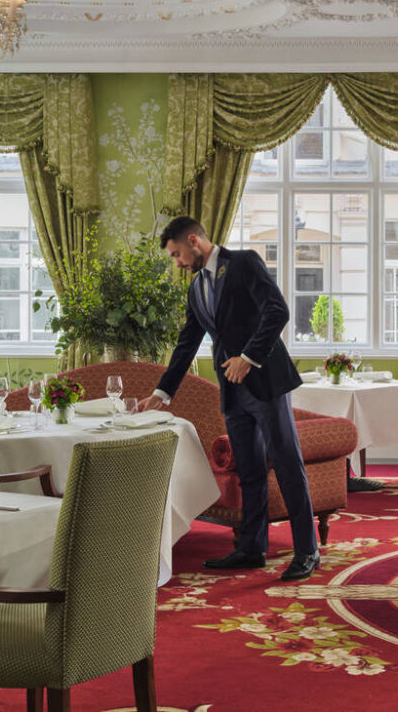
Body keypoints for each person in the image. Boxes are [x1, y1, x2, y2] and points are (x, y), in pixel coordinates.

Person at [136, 216, 319, 581]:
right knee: (249, 470)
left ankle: (307, 550)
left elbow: (277, 311)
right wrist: (162, 392)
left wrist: (248, 358)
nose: (178, 263)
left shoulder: (244, 263)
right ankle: (251, 548)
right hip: (232, 391)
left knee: (286, 464)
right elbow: (187, 342)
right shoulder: (196, 288)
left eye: (177, 254)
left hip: (265, 381)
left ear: (193, 240)